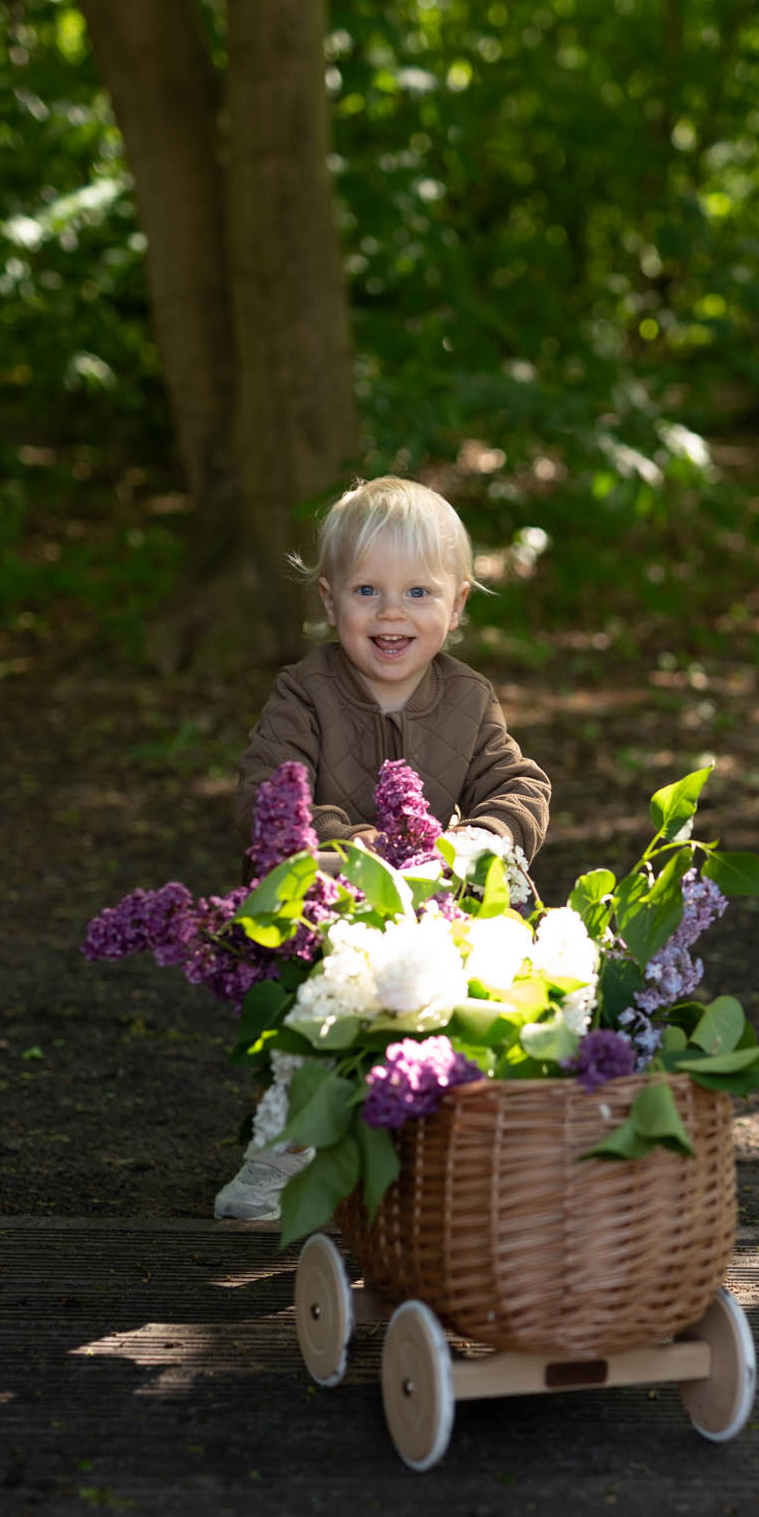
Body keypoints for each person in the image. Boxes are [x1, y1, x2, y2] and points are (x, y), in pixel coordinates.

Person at [213, 474, 551, 1221]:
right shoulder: (303, 693)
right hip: (331, 900)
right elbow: (268, 788)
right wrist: (350, 841)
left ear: (456, 605)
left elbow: (518, 783)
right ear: (329, 600)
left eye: (418, 593)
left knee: (460, 1009)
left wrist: (485, 837)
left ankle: (447, 1149)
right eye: (367, 590)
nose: (392, 612)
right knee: (313, 1020)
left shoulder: (468, 699)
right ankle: (286, 1144)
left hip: (434, 903)